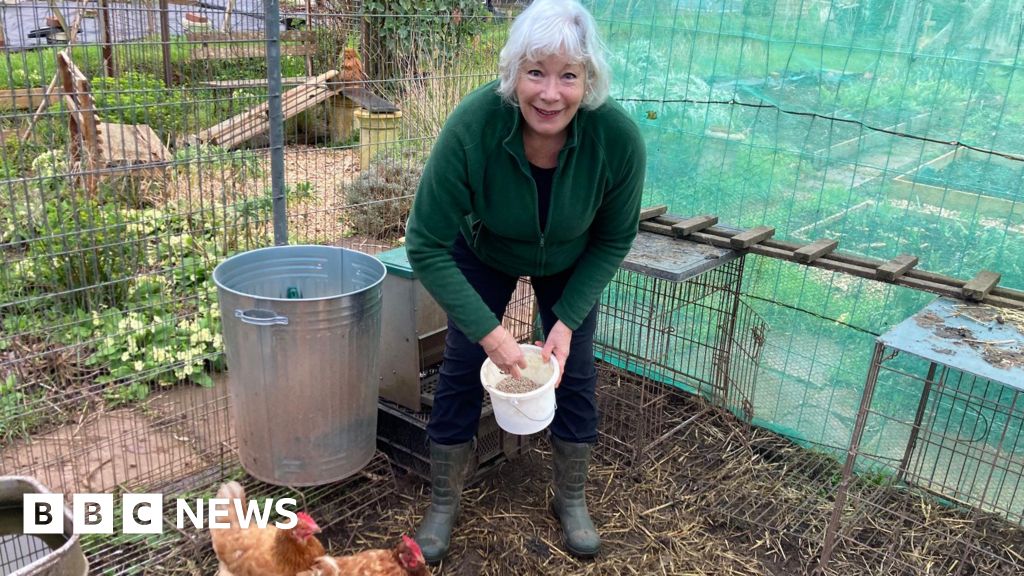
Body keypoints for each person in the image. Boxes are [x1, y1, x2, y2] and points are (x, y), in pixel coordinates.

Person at [405, 0, 646, 563]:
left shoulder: (616, 138)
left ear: (589, 80)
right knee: (464, 364)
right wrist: (491, 335)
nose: (550, 93)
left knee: (574, 370)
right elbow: (425, 243)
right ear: (513, 73)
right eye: (535, 72)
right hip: (485, 246)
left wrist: (565, 322)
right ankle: (443, 503)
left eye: (569, 76)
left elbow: (614, 238)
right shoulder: (474, 126)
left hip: (570, 255)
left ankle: (571, 498)